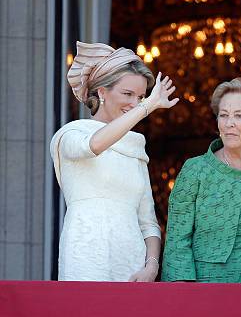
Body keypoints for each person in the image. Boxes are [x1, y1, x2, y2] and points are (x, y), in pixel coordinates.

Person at [50, 41, 178, 281]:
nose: (135, 103)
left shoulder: (135, 145)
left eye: (140, 96)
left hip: (132, 261)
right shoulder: (71, 134)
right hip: (86, 254)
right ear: (102, 92)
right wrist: (147, 107)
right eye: (127, 94)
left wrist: (151, 267)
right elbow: (95, 145)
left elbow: (148, 222)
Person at [161, 77, 241, 283]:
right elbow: (177, 240)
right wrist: (181, 291)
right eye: (223, 115)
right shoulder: (195, 169)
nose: (229, 124)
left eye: (239, 116)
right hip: (207, 286)